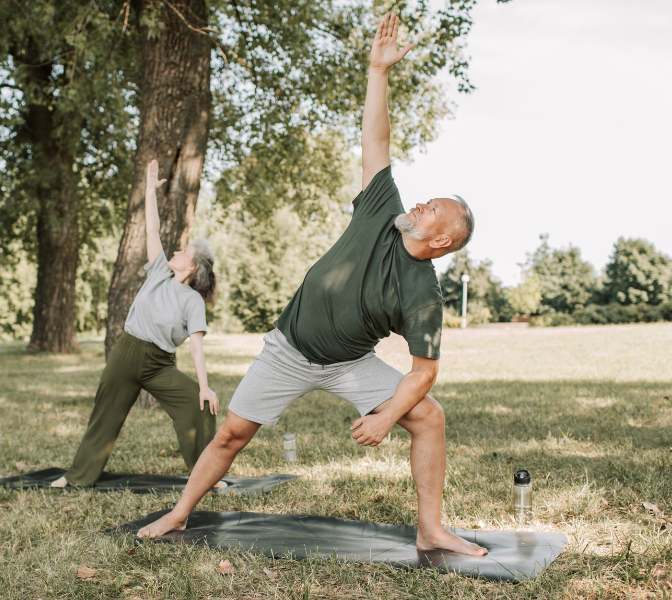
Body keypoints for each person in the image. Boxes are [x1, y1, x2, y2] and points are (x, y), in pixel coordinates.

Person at [136, 14, 485, 557]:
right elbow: (376, 135)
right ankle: (179, 514)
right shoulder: (382, 208)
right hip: (289, 349)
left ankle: (431, 529)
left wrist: (387, 415)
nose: (420, 203)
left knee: (429, 416)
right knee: (231, 435)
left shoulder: (423, 292)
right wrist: (377, 70)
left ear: (441, 240)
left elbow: (425, 372)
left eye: (432, 208)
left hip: (348, 361)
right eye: (426, 198)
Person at [51, 159, 219, 488]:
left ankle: (207, 478)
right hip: (127, 353)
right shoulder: (158, 270)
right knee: (105, 414)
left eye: (183, 250)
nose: (176, 249)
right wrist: (149, 190)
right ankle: (77, 477)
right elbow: (152, 229)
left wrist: (204, 386)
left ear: (193, 267)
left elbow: (197, 348)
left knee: (198, 405)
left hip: (159, 364)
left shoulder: (193, 301)